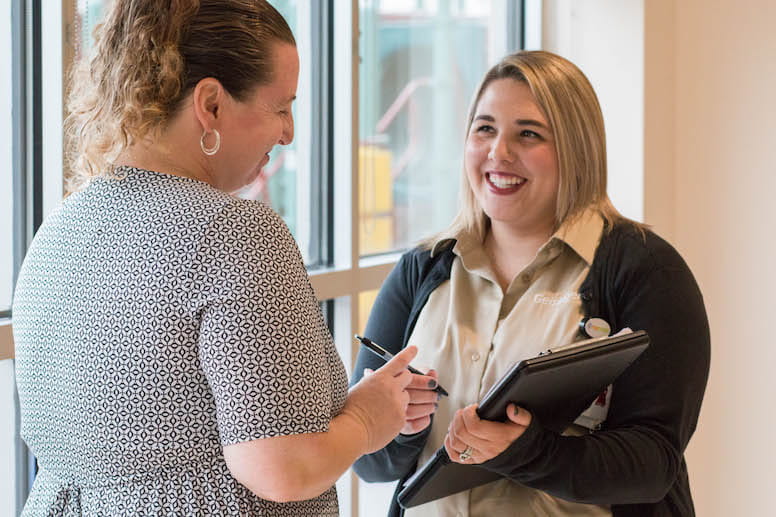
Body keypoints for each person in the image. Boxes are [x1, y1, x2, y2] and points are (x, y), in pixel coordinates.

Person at [12, 1, 417, 515]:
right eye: (281, 107)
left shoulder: (61, 230)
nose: (288, 132)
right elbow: (281, 465)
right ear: (211, 104)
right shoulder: (233, 231)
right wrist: (366, 420)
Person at [351, 50, 710, 517]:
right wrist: (401, 429)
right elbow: (365, 458)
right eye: (485, 129)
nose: (499, 153)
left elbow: (652, 463)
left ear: (576, 148)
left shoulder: (646, 271)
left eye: (529, 134)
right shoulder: (422, 269)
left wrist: (527, 451)